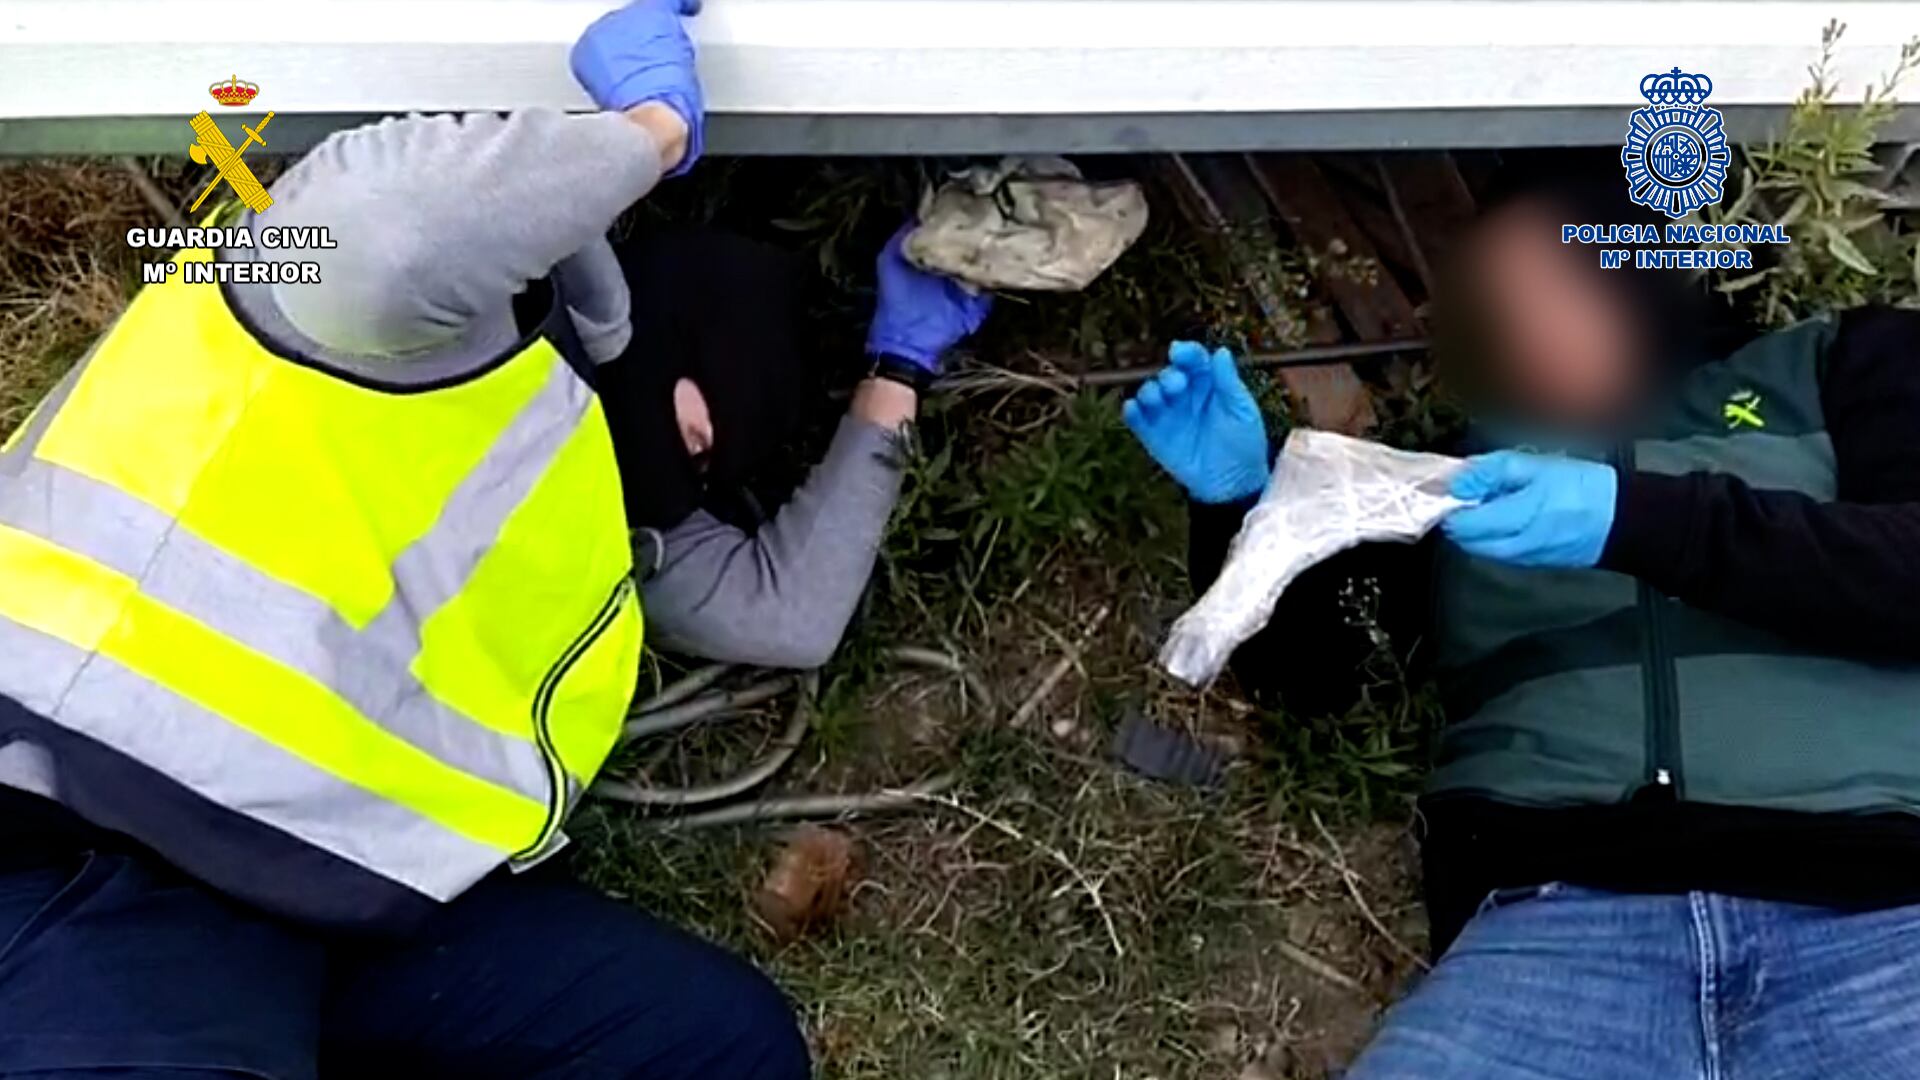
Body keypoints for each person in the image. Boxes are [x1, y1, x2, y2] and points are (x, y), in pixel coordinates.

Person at [0, 0, 996, 1073]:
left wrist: (898, 371)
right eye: (708, 401)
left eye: (721, 457)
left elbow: (789, 616)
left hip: (353, 898)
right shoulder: (351, 310)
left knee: (716, 1046)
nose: (703, 452)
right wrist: (651, 132)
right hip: (108, 823)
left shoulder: (595, 507)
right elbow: (393, 229)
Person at [1125, 168, 1920, 1078]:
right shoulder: (1467, 461)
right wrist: (1240, 508)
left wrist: (1630, 519)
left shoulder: (1840, 366)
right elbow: (1320, 677)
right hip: (1556, 924)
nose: (1527, 326)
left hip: (1882, 911)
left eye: (1557, 286)